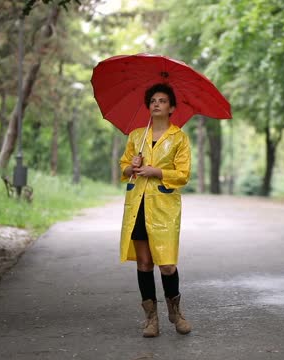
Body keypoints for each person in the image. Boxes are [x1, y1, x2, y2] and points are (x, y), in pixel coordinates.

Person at [119, 83, 192, 338]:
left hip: (164, 207)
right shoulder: (136, 136)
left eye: (162, 100)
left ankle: (176, 312)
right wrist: (132, 166)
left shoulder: (179, 138)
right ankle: (151, 319)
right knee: (144, 262)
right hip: (138, 204)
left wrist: (156, 171)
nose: (156, 103)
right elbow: (124, 169)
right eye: (152, 100)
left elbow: (183, 175)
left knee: (168, 264)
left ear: (171, 107)